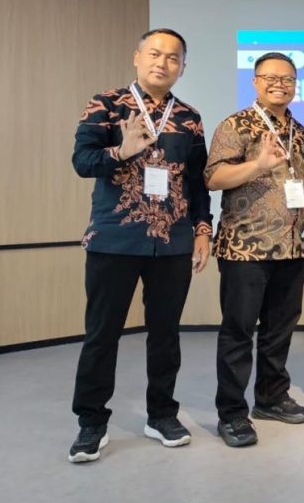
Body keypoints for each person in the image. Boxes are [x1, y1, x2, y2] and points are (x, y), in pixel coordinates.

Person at [69, 28, 212, 463]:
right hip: (115, 238)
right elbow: (82, 162)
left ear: (182, 67)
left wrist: (202, 229)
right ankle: (92, 423)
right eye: (154, 53)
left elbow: (197, 182)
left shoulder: (189, 117)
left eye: (173, 57)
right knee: (102, 334)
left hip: (172, 242)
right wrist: (121, 151)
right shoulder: (106, 104)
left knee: (166, 335)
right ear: (137, 57)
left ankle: (162, 415)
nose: (162, 62)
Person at [205, 51, 304, 448]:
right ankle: (232, 414)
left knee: (279, 330)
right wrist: (257, 166)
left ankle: (271, 398)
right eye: (270, 77)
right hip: (245, 248)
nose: (279, 84)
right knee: (238, 332)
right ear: (255, 81)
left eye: (287, 79)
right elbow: (213, 178)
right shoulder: (235, 125)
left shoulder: (299, 131)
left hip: (291, 248)